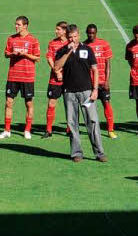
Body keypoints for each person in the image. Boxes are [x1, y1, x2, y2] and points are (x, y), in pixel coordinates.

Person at [52, 24, 106, 163]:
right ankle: (76, 153)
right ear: (67, 37)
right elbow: (57, 66)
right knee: (72, 123)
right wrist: (68, 52)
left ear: (79, 35)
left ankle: (99, 153)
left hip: (86, 92)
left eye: (75, 37)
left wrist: (95, 90)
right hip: (69, 92)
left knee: (92, 122)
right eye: (70, 38)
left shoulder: (87, 49)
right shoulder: (62, 50)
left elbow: (95, 69)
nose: (73, 40)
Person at [0, 16, 40, 139]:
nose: (16, 26)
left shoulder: (33, 40)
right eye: (15, 24)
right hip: (13, 76)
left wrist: (25, 54)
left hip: (27, 77)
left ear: (25, 26)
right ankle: (7, 130)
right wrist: (13, 54)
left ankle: (27, 130)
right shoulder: (11, 39)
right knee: (9, 102)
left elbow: (37, 57)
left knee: (28, 104)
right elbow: (6, 54)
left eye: (18, 24)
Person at [84, 24, 116, 139]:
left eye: (93, 33)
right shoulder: (83, 46)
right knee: (88, 106)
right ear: (86, 32)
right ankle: (90, 129)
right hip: (89, 82)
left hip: (102, 81)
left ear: (96, 32)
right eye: (89, 33)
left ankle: (110, 130)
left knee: (106, 103)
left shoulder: (104, 44)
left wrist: (107, 80)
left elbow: (108, 64)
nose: (91, 35)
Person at [42, 21, 69, 138]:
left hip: (69, 79)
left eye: (58, 29)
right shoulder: (52, 43)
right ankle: (48, 130)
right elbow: (49, 58)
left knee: (70, 104)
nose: (56, 31)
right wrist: (57, 72)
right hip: (55, 79)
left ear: (64, 31)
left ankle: (70, 129)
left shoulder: (71, 43)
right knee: (51, 103)